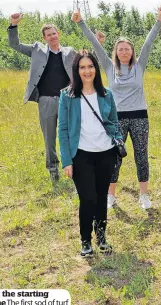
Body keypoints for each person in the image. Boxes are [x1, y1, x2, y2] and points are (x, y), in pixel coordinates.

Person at [72, 8, 161, 209]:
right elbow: (94, 43)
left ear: (132, 51)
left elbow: (149, 42)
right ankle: (110, 196)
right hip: (116, 118)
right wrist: (80, 22)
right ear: (116, 51)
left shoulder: (139, 66)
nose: (124, 51)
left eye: (127, 48)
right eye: (120, 49)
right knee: (114, 157)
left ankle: (144, 195)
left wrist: (158, 21)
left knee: (141, 155)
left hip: (140, 117)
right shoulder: (108, 65)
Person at [58, 50, 121, 257]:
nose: (87, 71)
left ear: (96, 69)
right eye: (82, 67)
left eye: (90, 66)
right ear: (77, 70)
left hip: (106, 153)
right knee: (88, 199)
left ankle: (101, 237)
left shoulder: (107, 94)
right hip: (81, 155)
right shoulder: (67, 96)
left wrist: (116, 139)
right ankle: (86, 240)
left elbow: (114, 122)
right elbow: (63, 129)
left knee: (101, 196)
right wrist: (67, 160)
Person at [7, 13, 76, 183]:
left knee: (72, 134)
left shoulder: (70, 52)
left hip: (68, 100)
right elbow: (14, 45)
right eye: (49, 34)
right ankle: (53, 170)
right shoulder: (37, 49)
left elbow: (84, 65)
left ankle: (75, 166)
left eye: (54, 33)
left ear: (58, 34)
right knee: (49, 137)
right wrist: (13, 25)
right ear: (44, 38)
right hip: (46, 100)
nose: (52, 36)